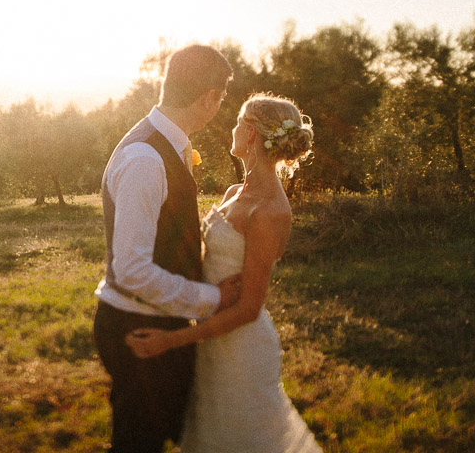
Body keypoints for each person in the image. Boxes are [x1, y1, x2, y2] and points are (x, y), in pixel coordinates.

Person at [126, 93, 320, 453]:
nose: (230, 126)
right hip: (212, 339)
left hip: (242, 349)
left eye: (237, 121)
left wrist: (168, 341)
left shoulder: (270, 211)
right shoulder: (234, 192)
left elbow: (248, 309)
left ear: (249, 134)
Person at [93, 44, 239, 453]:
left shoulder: (166, 144)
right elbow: (133, 270)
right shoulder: (145, 159)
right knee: (138, 444)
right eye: (222, 96)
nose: (220, 105)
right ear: (209, 97)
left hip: (154, 319)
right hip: (139, 326)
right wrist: (212, 297)